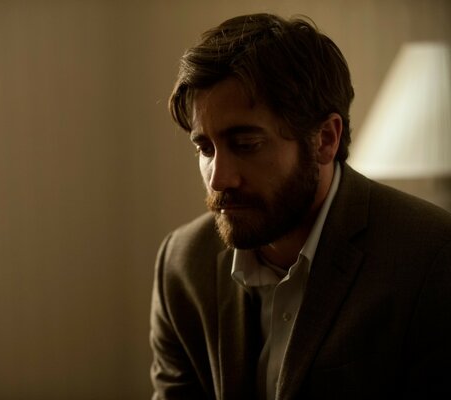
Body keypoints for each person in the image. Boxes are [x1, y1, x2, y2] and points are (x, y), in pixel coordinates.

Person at [149, 13, 451, 400]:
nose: (218, 178)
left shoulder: (430, 258)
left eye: (246, 144)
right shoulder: (182, 264)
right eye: (205, 148)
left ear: (325, 138)